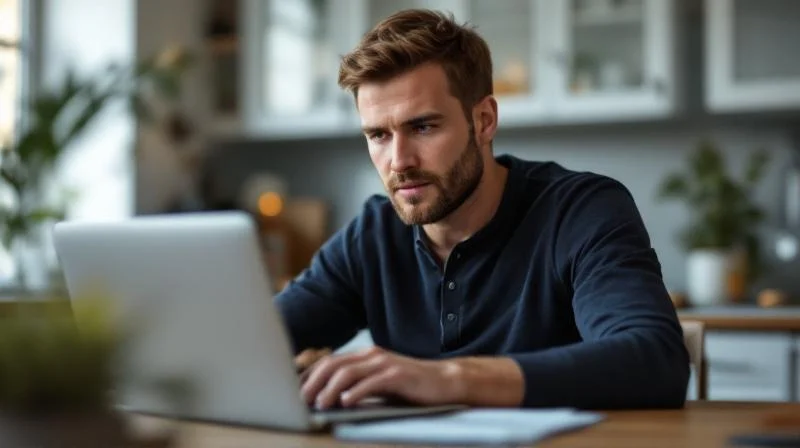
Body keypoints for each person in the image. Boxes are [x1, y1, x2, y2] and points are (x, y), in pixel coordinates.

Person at [275, 8, 690, 411]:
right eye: (379, 134)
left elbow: (656, 360)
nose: (399, 161)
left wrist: (448, 379)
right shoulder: (373, 235)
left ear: (485, 120)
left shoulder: (580, 211)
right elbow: (246, 344)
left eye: (422, 127)